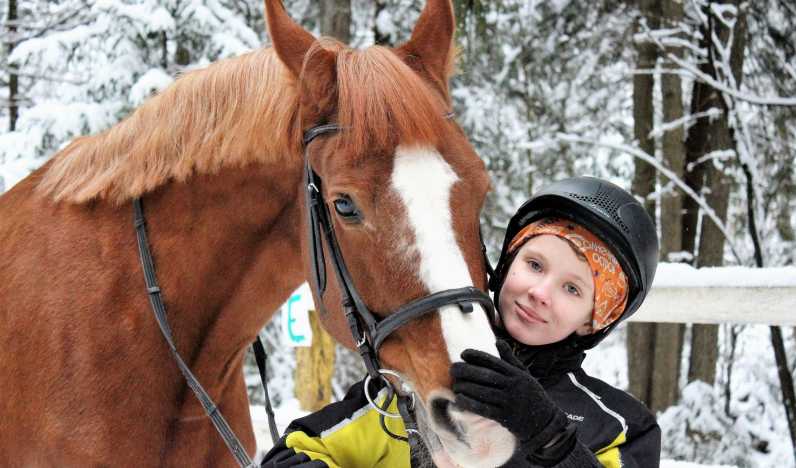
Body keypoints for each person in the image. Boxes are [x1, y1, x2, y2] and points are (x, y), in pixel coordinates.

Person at [261, 176, 661, 468]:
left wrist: (549, 435)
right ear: (505, 264)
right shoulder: (421, 381)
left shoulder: (618, 425)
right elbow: (298, 451)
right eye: (534, 264)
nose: (541, 292)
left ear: (595, 320)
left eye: (572, 289)